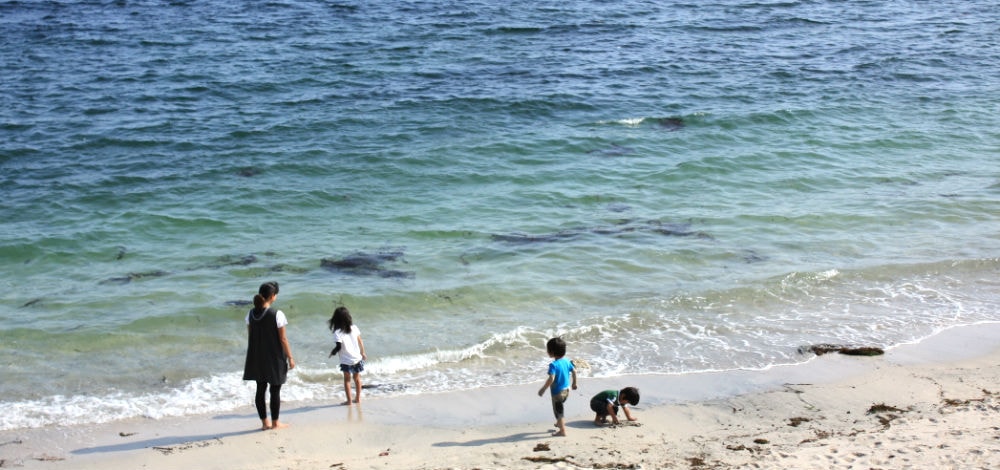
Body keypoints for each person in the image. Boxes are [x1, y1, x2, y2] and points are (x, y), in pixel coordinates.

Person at [242, 281, 295, 430]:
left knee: (260, 388)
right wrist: (290, 357)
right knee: (275, 390)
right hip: (274, 357)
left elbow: (251, 335)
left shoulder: (250, 314)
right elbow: (283, 339)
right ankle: (275, 423)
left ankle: (265, 423)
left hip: (257, 356)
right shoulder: (277, 314)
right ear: (272, 296)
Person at [537, 337, 578, 436]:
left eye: (547, 350)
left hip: (557, 393)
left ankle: (562, 430)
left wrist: (543, 389)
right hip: (567, 390)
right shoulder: (567, 361)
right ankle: (559, 423)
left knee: (558, 412)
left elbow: (551, 378)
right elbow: (574, 371)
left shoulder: (553, 365)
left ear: (551, 352)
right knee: (560, 408)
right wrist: (574, 383)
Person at [328, 306, 367, 405]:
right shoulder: (354, 328)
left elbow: (338, 347)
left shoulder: (338, 333)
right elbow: (360, 341)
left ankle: (349, 401)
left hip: (346, 360)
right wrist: (363, 352)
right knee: (357, 379)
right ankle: (358, 399)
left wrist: (332, 352)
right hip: (357, 358)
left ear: (336, 319)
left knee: (347, 380)